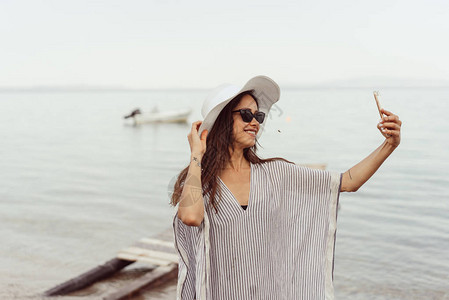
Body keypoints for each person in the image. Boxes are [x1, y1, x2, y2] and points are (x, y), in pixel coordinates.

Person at [169, 75, 402, 300]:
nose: (254, 122)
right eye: (246, 114)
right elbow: (190, 216)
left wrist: (389, 145)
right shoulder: (201, 182)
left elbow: (348, 181)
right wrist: (196, 155)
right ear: (220, 121)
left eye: (258, 116)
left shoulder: (276, 173)